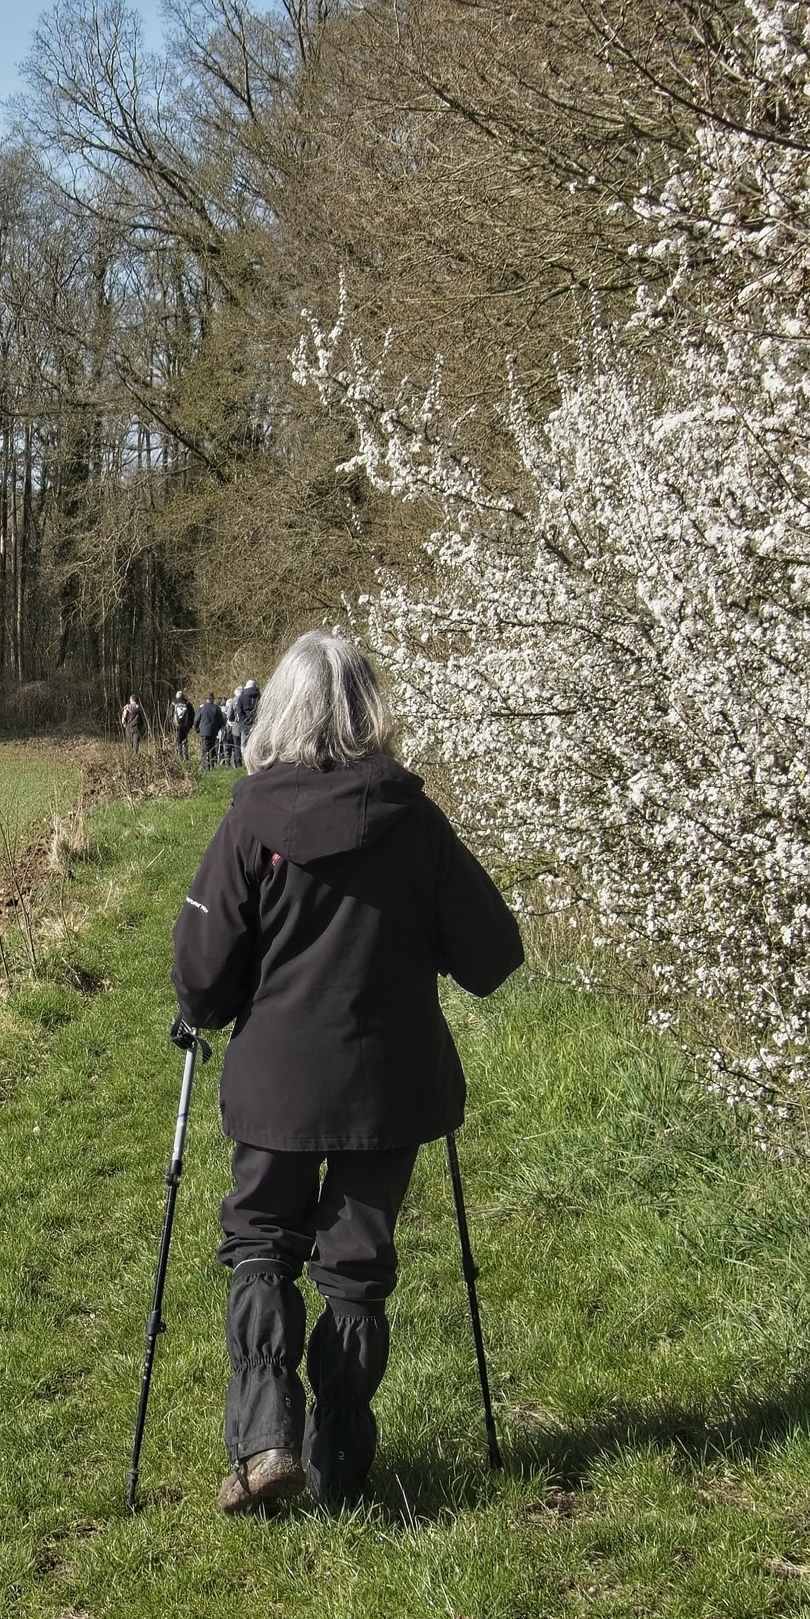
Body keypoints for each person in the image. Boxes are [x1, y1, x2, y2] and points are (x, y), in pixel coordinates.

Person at [171, 629, 522, 1514]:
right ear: (370, 709)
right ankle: (337, 1461)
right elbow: (491, 954)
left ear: (277, 711)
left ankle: (261, 1439)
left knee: (262, 1241)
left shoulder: (250, 819)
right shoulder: (415, 819)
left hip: (276, 1086)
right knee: (356, 1266)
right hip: (390, 1087)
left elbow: (205, 981)